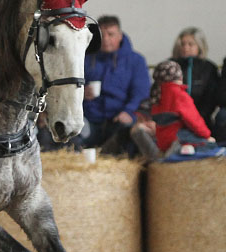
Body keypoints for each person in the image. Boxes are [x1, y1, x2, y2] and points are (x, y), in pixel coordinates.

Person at [80, 15, 150, 148]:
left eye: (110, 34)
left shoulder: (135, 61)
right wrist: (81, 93)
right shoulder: (85, 59)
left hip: (119, 118)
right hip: (89, 118)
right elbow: (69, 87)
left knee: (127, 131)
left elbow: (141, 93)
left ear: (120, 36)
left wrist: (128, 112)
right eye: (102, 34)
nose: (105, 39)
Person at [136, 60, 214, 157]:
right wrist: (207, 135)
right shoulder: (180, 95)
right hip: (177, 138)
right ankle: (183, 148)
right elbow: (193, 120)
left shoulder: (157, 95)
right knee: (210, 145)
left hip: (162, 142)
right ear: (179, 77)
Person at [169, 27, 220, 128]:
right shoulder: (169, 66)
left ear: (200, 46)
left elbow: (211, 98)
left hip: (201, 119)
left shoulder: (209, 68)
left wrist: (196, 118)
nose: (185, 48)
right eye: (182, 44)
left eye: (190, 44)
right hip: (173, 119)